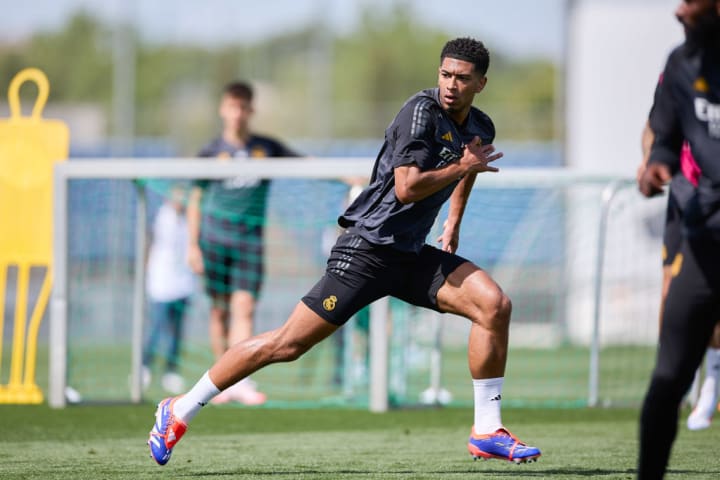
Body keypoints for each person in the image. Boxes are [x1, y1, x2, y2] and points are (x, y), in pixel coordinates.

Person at [148, 37, 541, 466]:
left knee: (494, 305)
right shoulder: (420, 113)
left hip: (408, 255)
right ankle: (180, 408)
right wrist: (462, 167)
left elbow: (470, 166)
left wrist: (454, 220)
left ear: (480, 84)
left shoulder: (480, 124)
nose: (451, 84)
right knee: (285, 344)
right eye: (445, 74)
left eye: (462, 78)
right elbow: (407, 188)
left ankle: (487, 429)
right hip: (366, 250)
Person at [637, 1, 720, 478]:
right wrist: (655, 167)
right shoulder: (682, 64)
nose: (679, 12)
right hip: (706, 236)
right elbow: (665, 136)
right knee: (667, 378)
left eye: (694, 3)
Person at [186, 81, 298, 405]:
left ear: (250, 110)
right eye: (231, 106)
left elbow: (305, 163)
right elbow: (195, 199)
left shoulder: (266, 148)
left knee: (245, 308)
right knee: (219, 311)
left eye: (243, 107)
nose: (237, 113)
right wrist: (192, 246)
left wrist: (351, 176)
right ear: (223, 109)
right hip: (214, 240)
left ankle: (241, 380)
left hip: (250, 241)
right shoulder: (210, 152)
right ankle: (218, 382)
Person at [640, 105, 720, 432]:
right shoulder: (680, 72)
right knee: (671, 289)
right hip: (684, 193)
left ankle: (711, 383)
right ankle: (673, 377)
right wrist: (650, 161)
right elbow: (653, 127)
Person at [142, 185, 195, 395]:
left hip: (183, 284)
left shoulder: (189, 220)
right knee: (156, 328)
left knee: (177, 331)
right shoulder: (164, 218)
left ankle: (171, 372)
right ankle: (144, 367)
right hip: (161, 283)